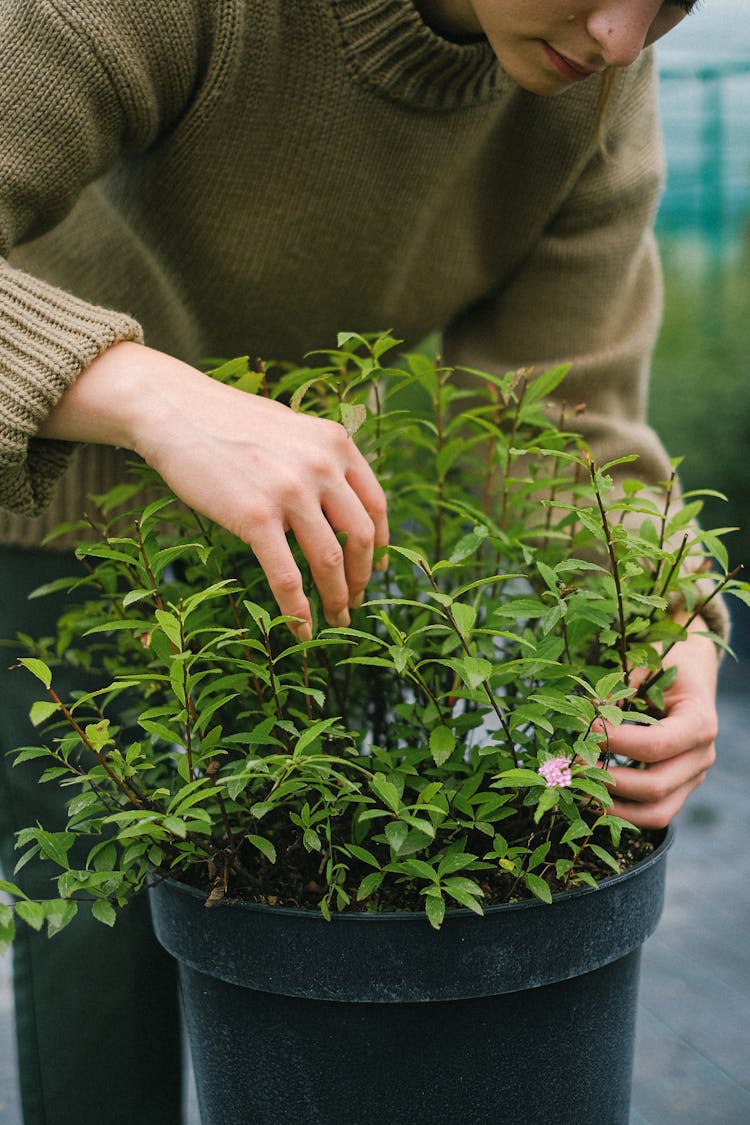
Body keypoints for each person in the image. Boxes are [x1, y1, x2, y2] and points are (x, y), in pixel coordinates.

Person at [0, 2, 722, 1122]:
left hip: (316, 541)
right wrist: (144, 394)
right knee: (103, 961)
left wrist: (666, 616)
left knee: (305, 915)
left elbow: (559, 425)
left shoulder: (597, 89)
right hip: (61, 510)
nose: (622, 36)